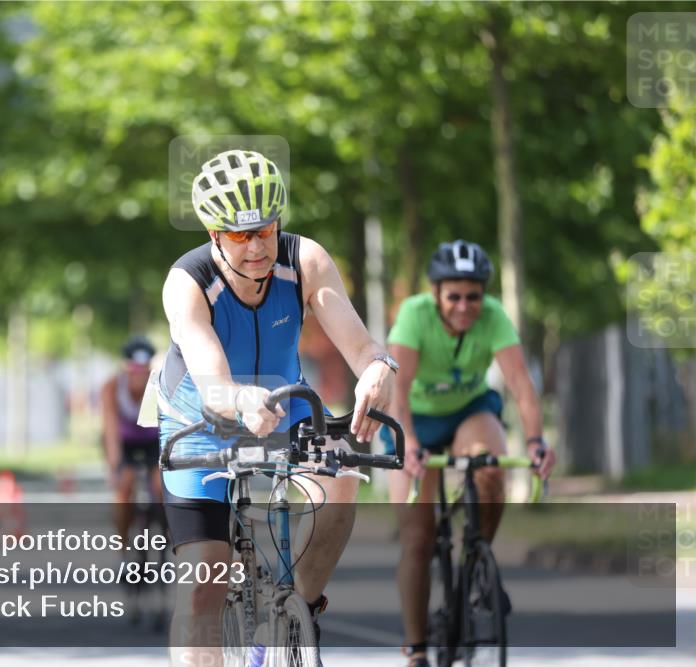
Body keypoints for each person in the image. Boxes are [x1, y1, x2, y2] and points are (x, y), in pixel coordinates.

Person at [158, 149, 397, 665]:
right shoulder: (188, 282)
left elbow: (360, 347)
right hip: (200, 419)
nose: (257, 247)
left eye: (265, 230)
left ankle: (300, 611)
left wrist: (378, 369)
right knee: (204, 578)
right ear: (213, 233)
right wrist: (238, 398)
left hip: (285, 404)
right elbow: (211, 376)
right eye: (240, 236)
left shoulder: (305, 261)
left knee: (340, 481)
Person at [381, 240, 557, 667]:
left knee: (490, 467)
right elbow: (397, 393)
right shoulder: (413, 315)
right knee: (418, 538)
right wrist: (410, 445)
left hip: (467, 411)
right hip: (413, 418)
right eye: (454, 296)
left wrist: (535, 442)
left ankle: (477, 556)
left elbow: (521, 387)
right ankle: (416, 647)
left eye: (473, 296)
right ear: (436, 293)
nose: (464, 305)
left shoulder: (494, 317)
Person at [101, 336, 163, 541]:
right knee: (124, 488)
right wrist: (114, 467)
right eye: (135, 370)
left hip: (153, 441)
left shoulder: (159, 385)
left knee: (161, 488)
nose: (140, 375)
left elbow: (168, 427)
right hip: (125, 443)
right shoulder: (112, 387)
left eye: (145, 369)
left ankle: (168, 538)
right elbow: (110, 429)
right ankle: (123, 550)